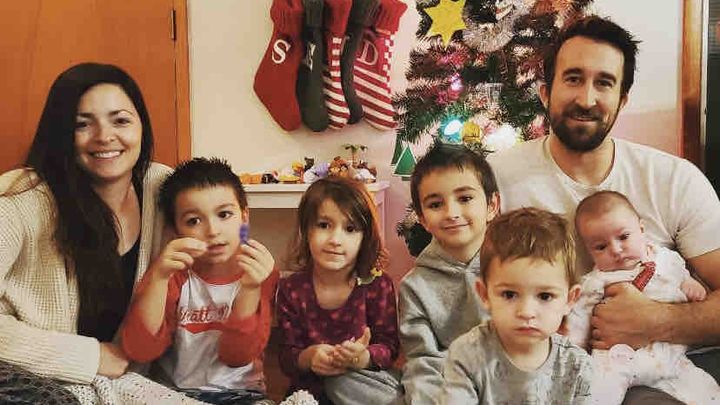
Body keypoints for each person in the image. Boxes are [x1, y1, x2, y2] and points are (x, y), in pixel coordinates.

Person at [488, 15, 720, 403]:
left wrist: (658, 320)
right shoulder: (494, 179)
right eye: (573, 78)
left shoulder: (674, 180)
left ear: (622, 100)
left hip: (659, 375)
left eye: (605, 83)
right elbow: (453, 287)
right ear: (545, 92)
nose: (586, 99)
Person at [0, 63, 209, 404]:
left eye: (121, 120)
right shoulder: (19, 199)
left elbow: (223, 236)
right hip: (34, 382)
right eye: (82, 124)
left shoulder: (163, 188)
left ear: (142, 126)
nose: (104, 136)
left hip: (128, 386)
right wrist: (90, 356)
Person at [120, 157, 278, 404]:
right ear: (175, 230)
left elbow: (237, 356)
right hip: (175, 394)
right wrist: (159, 278)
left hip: (242, 395)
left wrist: (250, 289)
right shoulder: (171, 273)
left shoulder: (258, 271)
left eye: (224, 214)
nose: (213, 230)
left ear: (244, 217)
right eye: (194, 220)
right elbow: (141, 350)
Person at [566, 191, 720, 404]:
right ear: (589, 252)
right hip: (616, 358)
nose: (616, 250)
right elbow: (579, 318)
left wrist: (690, 285)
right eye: (601, 247)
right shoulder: (597, 281)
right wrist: (573, 347)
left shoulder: (665, 259)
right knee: (597, 393)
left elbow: (681, 275)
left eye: (623, 237)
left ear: (641, 229)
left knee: (705, 392)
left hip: (669, 357)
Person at [439, 207, 591, 404]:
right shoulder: (466, 356)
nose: (526, 312)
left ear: (570, 299)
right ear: (484, 294)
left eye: (545, 296)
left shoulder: (578, 366)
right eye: (509, 294)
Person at [276, 176, 400, 404]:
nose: (335, 239)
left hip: (361, 386)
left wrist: (363, 357)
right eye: (324, 225)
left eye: (350, 228)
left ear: (365, 237)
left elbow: (390, 347)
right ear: (306, 229)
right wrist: (309, 356)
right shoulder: (291, 289)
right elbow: (286, 356)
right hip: (310, 392)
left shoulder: (377, 285)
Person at [398, 143, 499, 404]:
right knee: (352, 383)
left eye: (465, 199)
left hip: (505, 379)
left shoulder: (516, 267)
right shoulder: (414, 286)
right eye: (435, 204)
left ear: (492, 205)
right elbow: (422, 361)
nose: (452, 213)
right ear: (422, 218)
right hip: (446, 387)